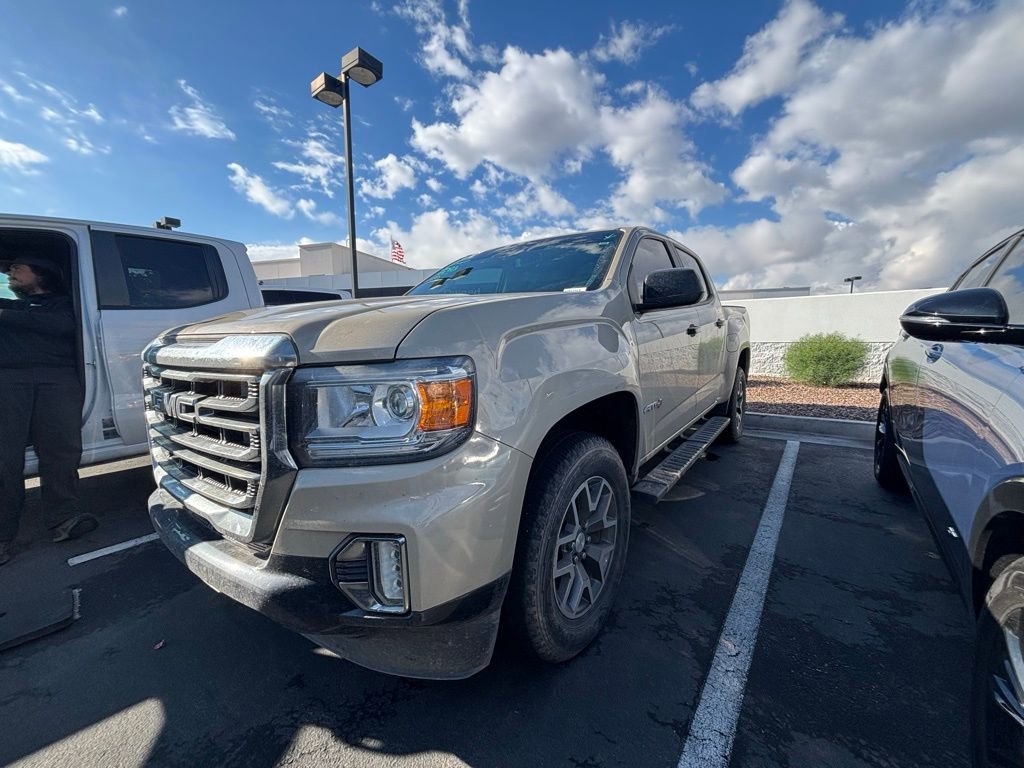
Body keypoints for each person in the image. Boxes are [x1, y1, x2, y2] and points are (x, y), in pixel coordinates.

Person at [0, 255, 97, 566]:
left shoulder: (65, 304)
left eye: (18, 267)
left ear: (41, 273)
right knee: (4, 458)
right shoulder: (13, 307)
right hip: (8, 379)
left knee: (61, 453)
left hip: (58, 379)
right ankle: (2, 535)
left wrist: (9, 314)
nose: (11, 272)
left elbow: (61, 326)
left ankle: (63, 519)